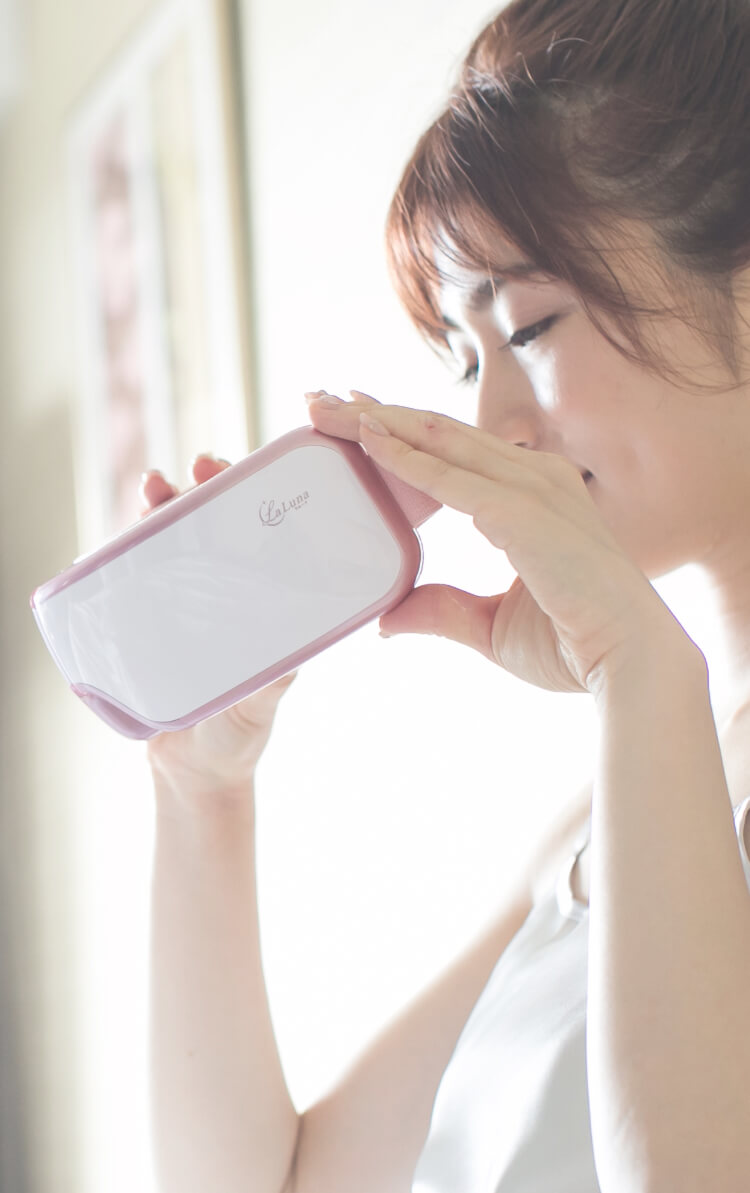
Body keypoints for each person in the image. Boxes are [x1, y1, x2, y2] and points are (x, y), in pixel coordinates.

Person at [140, 1, 750, 1190]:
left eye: (528, 326)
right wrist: (200, 792)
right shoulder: (620, 804)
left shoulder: (652, 721)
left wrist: (637, 663)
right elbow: (275, 1180)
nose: (491, 423)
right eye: (466, 360)